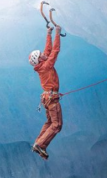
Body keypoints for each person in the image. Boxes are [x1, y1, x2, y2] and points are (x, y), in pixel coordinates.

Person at [28, 25, 62, 160]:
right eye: (40, 55)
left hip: (47, 98)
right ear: (40, 59)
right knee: (56, 125)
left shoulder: (41, 65)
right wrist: (58, 33)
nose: (43, 54)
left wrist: (49, 33)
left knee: (49, 123)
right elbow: (55, 50)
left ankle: (39, 143)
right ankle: (40, 144)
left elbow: (48, 50)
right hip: (52, 99)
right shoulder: (47, 65)